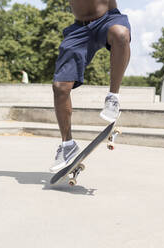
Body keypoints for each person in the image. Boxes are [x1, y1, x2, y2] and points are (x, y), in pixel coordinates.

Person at [50, 0, 131, 172]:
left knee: (121, 34)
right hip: (79, 30)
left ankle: (113, 97)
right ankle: (67, 145)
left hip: (108, 20)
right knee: (60, 87)